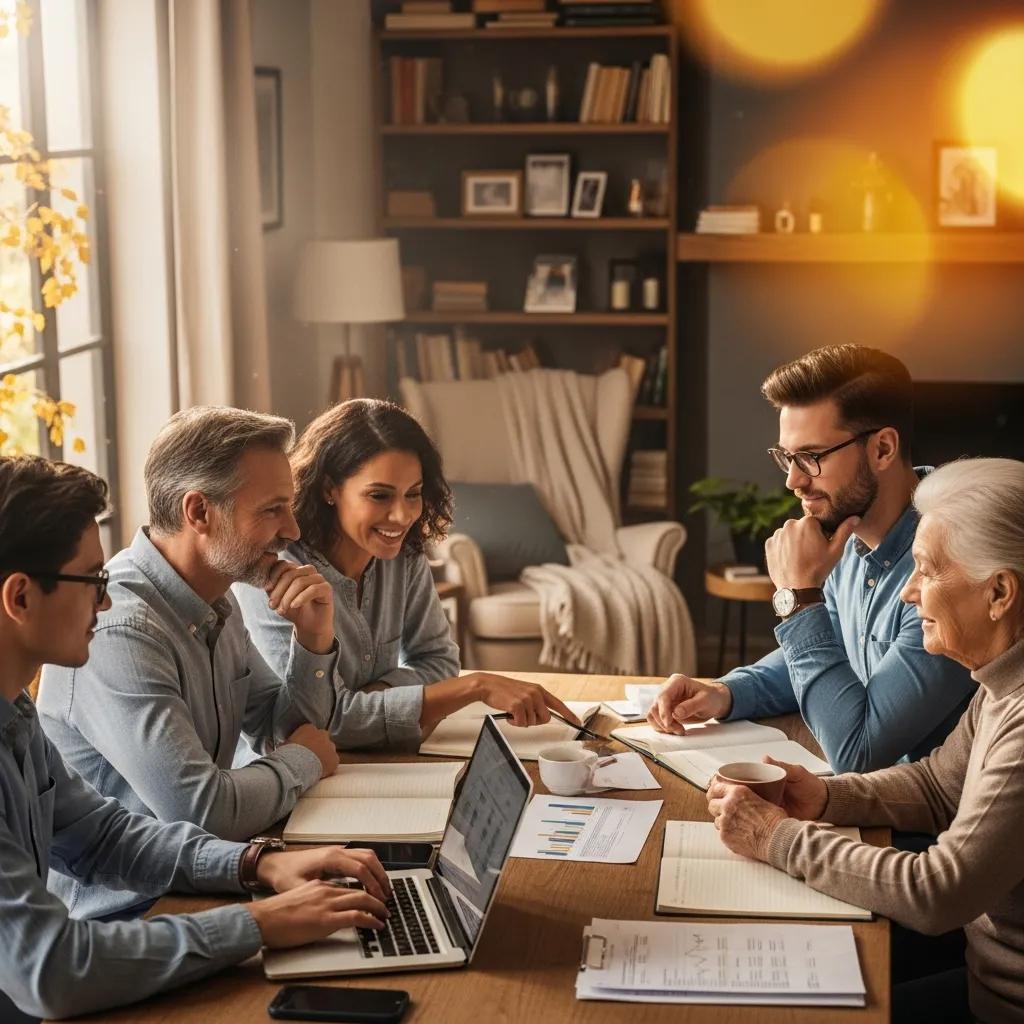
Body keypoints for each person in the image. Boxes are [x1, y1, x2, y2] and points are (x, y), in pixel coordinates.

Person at [0, 455, 390, 1022]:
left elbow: (101, 836)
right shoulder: (121, 632)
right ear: (20, 598)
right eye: (92, 580)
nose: (103, 602)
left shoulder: (13, 710)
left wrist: (255, 864)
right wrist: (259, 924)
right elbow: (51, 971)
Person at [707, 458, 1024, 1023]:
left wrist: (777, 837)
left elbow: (938, 890)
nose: (909, 592)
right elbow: (934, 784)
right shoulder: (1000, 677)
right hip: (980, 969)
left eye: (927, 570)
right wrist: (825, 798)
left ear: (999, 593)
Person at [38, 407, 343, 919]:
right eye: (272, 510)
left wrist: (313, 641)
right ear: (199, 512)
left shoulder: (216, 597)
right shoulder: (121, 629)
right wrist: (303, 760)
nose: (291, 529)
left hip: (205, 880)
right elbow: (205, 812)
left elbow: (288, 726)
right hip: (134, 912)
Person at [649, 345, 975, 772]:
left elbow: (857, 752)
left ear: (882, 449)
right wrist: (726, 693)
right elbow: (827, 647)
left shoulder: (951, 567)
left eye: (811, 457)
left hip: (922, 825)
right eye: (787, 456)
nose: (793, 480)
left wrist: (799, 597)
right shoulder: (847, 532)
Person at [235, 398, 578, 749]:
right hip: (292, 779)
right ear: (329, 489)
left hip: (376, 760)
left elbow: (439, 660)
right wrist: (474, 686)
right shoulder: (278, 571)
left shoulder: (403, 554)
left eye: (413, 494)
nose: (401, 516)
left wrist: (375, 695)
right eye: (379, 496)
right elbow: (317, 726)